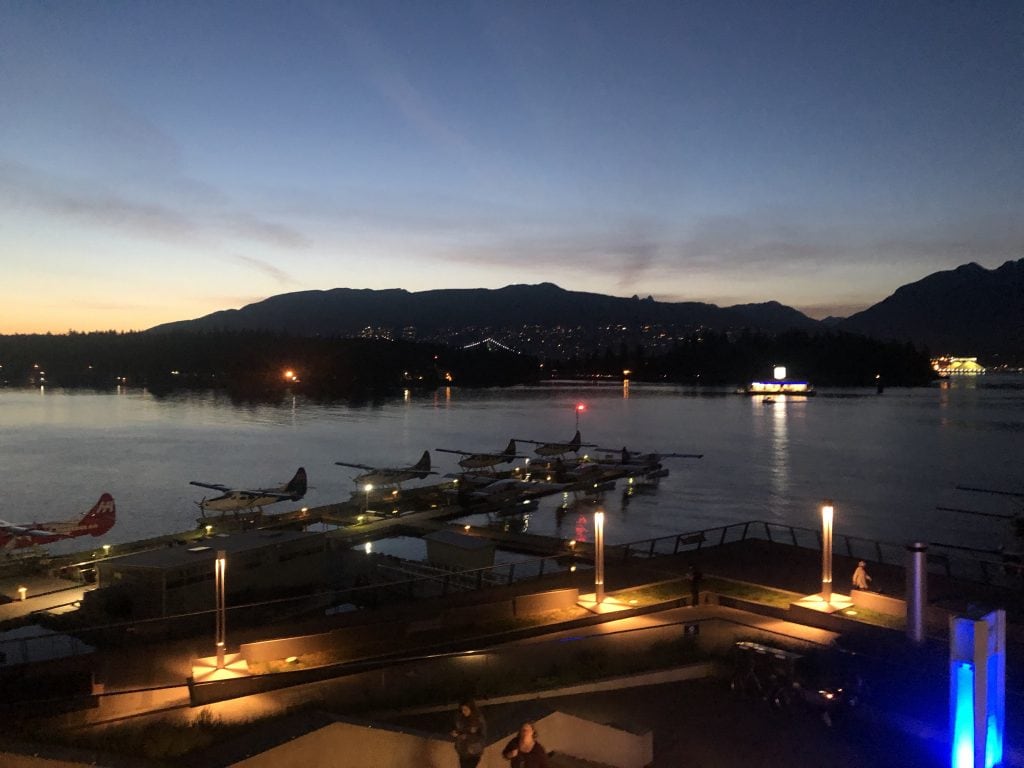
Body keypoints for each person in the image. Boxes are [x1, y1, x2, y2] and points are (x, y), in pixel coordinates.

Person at [451, 699, 487, 768]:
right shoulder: (460, 719)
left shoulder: (478, 720)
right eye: (462, 710)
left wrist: (466, 736)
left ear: (471, 709)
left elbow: (482, 737)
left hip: (474, 752)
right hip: (463, 751)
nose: (464, 712)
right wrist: (455, 733)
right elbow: (458, 730)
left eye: (466, 709)